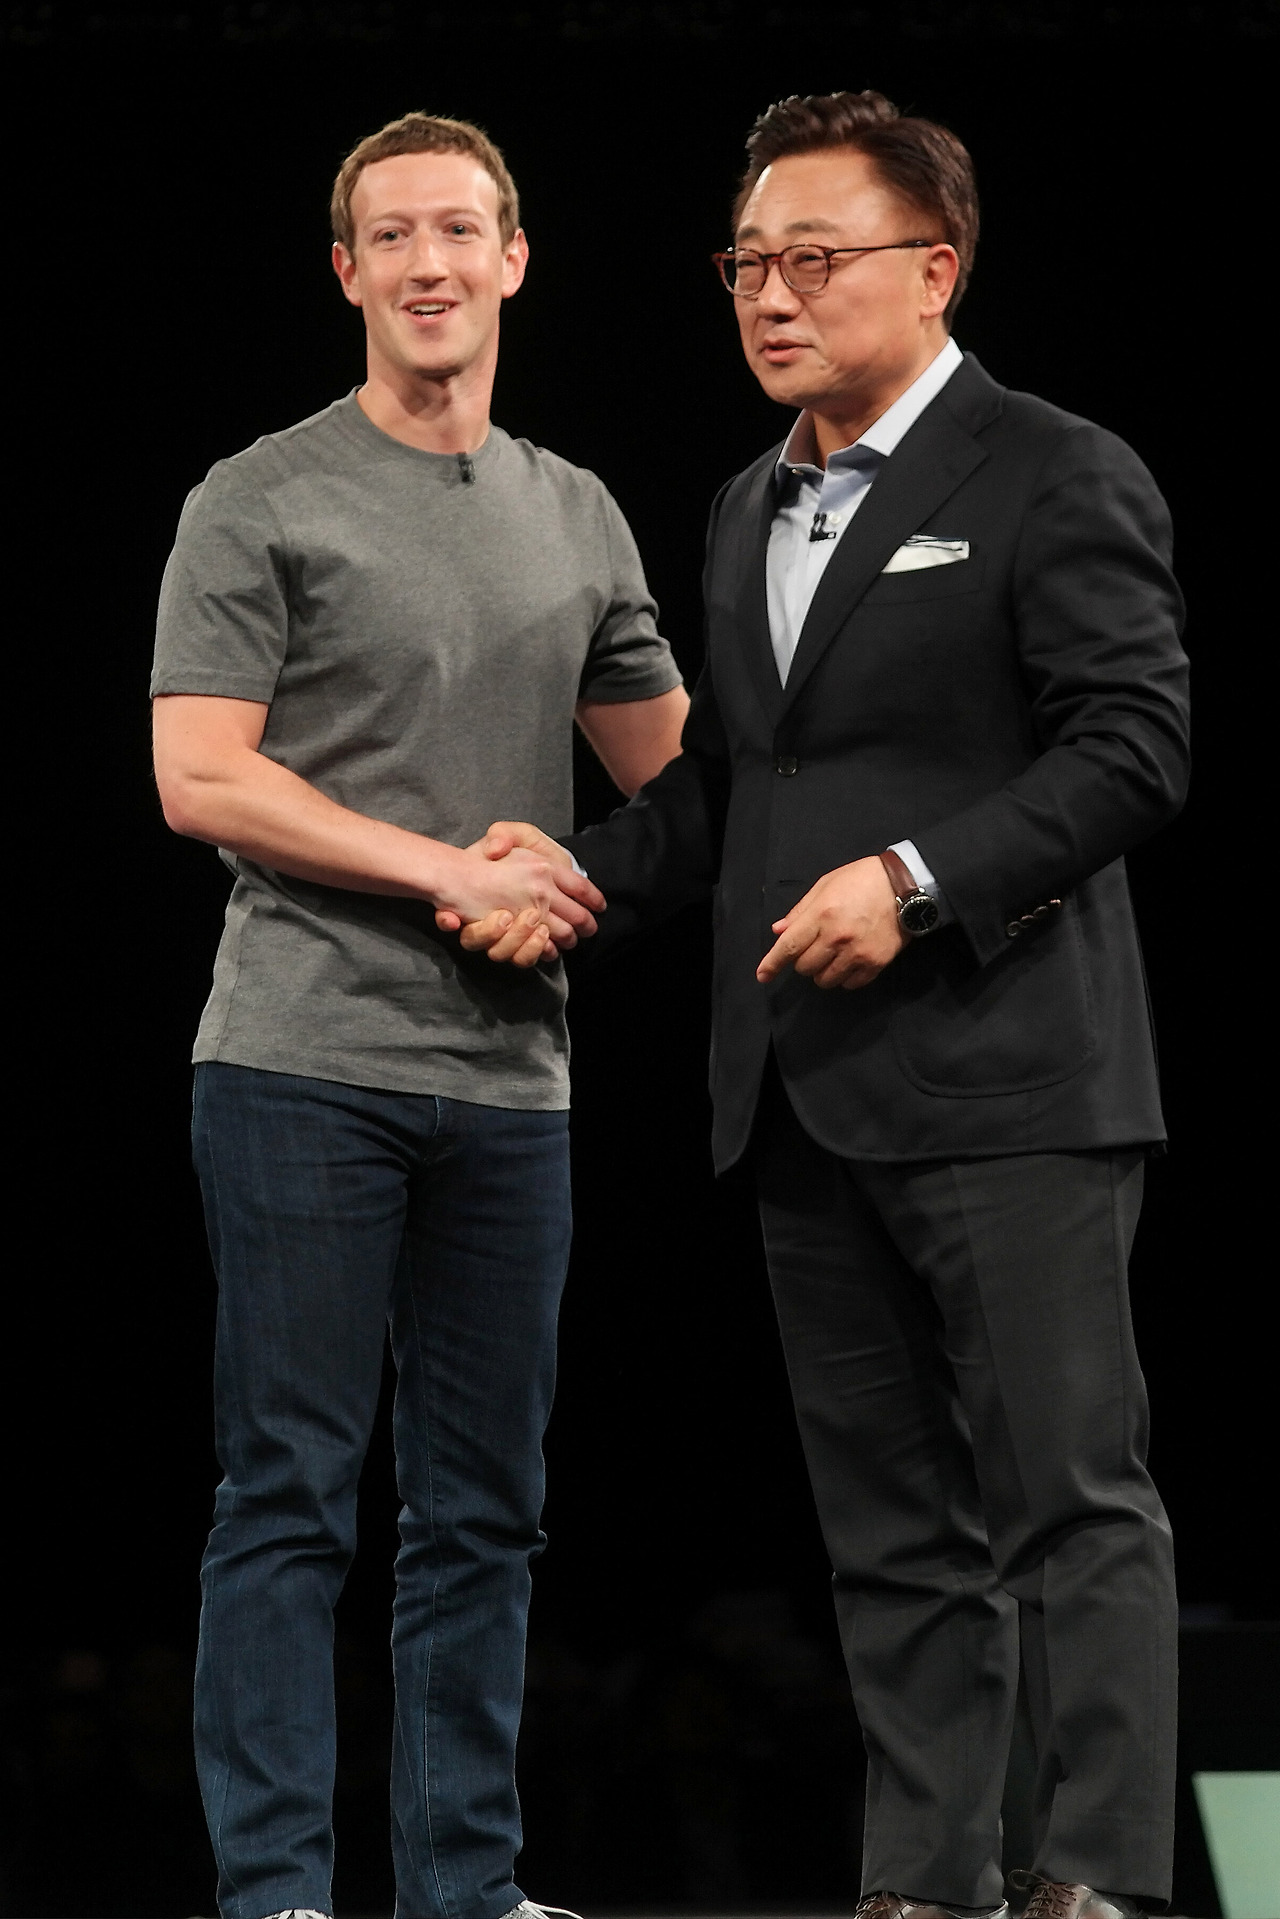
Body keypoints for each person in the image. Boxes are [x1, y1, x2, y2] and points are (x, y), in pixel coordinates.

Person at [462, 91, 1189, 1919]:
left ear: (935, 270)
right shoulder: (746, 505)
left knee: (1067, 1497)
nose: (771, 295)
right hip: (799, 1086)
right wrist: (574, 874)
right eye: (745, 263)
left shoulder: (1052, 468)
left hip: (1013, 1075)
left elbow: (1133, 745)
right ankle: (926, 1878)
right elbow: (740, 787)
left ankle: (1097, 1874)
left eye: (814, 258)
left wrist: (917, 883)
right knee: (889, 1527)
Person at [150, 110, 687, 1919]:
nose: (429, 263)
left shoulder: (577, 511)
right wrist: (450, 868)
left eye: (461, 230)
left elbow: (680, 787)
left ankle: (465, 1886)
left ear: (515, 259)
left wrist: (573, 871)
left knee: (486, 1512)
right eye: (392, 236)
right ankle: (278, 1893)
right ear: (348, 272)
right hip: (300, 1059)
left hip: (513, 1081)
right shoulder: (260, 494)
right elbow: (202, 778)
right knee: (289, 1495)